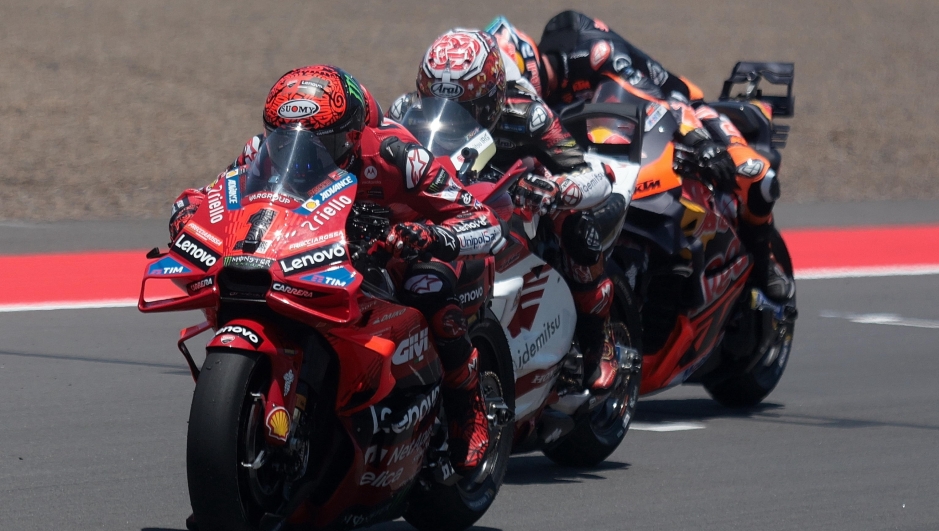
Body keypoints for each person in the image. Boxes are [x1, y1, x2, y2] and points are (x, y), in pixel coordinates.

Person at [169, 65, 504, 478]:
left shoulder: (397, 155)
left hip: (400, 254)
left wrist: (429, 234)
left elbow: (483, 220)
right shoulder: (263, 150)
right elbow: (220, 194)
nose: (301, 155)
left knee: (428, 286)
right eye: (285, 139)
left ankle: (467, 407)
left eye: (319, 144)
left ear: (350, 135)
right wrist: (189, 209)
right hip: (313, 253)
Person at [488, 12, 794, 302]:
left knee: (755, 175)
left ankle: (764, 265)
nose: (511, 98)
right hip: (621, 137)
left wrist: (702, 140)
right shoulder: (535, 100)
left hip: (686, 111)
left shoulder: (594, 53)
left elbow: (657, 99)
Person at [389, 29, 624, 392]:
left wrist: (558, 189)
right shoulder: (405, 111)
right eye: (436, 104)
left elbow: (591, 175)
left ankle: (598, 341)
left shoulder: (528, 116)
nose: (449, 117)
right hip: (449, 198)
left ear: (495, 97)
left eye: (467, 110)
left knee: (577, 229)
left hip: (521, 201)